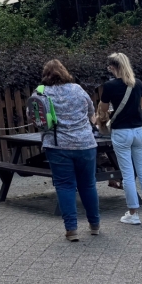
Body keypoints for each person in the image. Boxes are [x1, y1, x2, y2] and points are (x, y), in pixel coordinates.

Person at [40, 59, 100, 241]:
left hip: (57, 145)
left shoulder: (42, 93)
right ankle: (95, 225)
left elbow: (34, 116)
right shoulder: (78, 89)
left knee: (65, 186)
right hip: (85, 144)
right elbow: (91, 113)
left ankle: (71, 229)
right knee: (88, 184)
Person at [97, 53, 142, 226]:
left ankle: (133, 213)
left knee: (128, 174)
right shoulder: (137, 83)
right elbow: (139, 106)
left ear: (112, 67)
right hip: (138, 131)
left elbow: (102, 111)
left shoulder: (109, 86)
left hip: (121, 132)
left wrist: (102, 119)